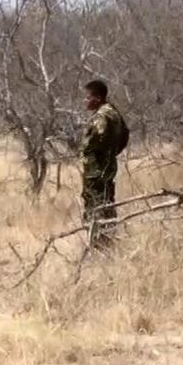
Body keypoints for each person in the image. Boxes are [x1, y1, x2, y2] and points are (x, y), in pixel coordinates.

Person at [79, 79, 128, 247]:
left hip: (96, 171)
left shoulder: (101, 117)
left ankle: (99, 245)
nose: (85, 101)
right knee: (107, 204)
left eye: (88, 98)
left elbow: (91, 142)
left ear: (98, 98)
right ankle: (108, 242)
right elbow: (124, 137)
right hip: (107, 169)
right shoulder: (114, 113)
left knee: (96, 208)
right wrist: (111, 154)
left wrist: (90, 149)